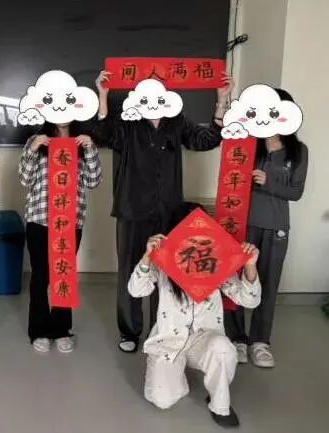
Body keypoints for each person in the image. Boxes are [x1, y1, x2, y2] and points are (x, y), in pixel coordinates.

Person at [94, 71, 234, 353]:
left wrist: (221, 102)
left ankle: (162, 328)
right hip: (132, 211)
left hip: (168, 212)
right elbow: (104, 134)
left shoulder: (176, 121)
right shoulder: (129, 122)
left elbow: (206, 140)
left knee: (167, 272)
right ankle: (129, 332)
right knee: (131, 271)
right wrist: (103, 95)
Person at [129, 233, 261, 428]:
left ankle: (219, 404)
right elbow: (136, 290)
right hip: (170, 340)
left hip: (204, 338)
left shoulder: (215, 264)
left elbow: (250, 300)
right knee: (162, 399)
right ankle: (176, 374)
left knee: (223, 349)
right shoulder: (164, 263)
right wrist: (147, 256)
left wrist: (250, 265)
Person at [224, 88, 309, 368]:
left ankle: (260, 342)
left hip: (275, 228)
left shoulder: (298, 151)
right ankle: (237, 338)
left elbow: (296, 192)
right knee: (236, 279)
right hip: (244, 224)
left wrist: (268, 182)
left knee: (269, 284)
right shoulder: (247, 144)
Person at [19, 121, 102, 353]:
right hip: (40, 219)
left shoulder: (82, 142)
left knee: (63, 274)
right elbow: (24, 179)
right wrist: (33, 149)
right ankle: (39, 330)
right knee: (40, 276)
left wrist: (90, 149)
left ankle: (61, 329)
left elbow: (93, 181)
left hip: (69, 221)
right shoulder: (36, 140)